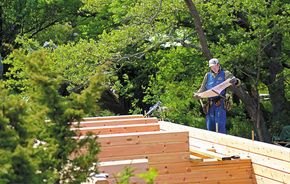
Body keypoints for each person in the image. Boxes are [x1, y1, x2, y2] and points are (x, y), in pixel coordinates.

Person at [193, 58, 241, 133]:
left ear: (218, 65)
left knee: (220, 125)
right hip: (210, 103)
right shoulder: (207, 75)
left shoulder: (225, 73)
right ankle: (212, 144)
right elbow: (203, 87)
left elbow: (236, 80)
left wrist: (235, 81)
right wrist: (197, 94)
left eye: (215, 68)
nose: (214, 69)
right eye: (212, 68)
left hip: (220, 102)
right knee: (210, 125)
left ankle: (221, 142)